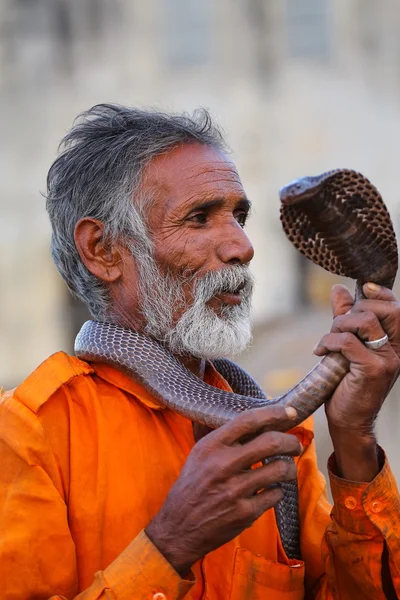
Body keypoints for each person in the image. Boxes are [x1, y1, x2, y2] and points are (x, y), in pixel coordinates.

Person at [1, 104, 400, 600]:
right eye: (199, 218)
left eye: (239, 216)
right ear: (102, 250)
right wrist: (170, 544)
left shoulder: (271, 425)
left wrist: (355, 437)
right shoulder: (27, 433)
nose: (242, 246)